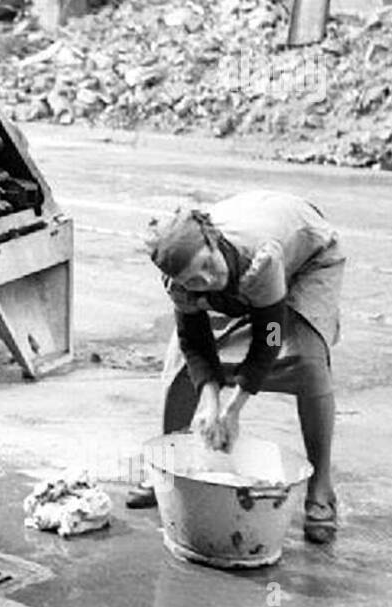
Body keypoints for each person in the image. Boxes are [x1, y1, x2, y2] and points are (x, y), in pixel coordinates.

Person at [132, 190, 346, 544]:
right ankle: (168, 471)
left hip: (309, 255)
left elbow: (270, 338)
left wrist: (233, 411)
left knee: (307, 363)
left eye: (207, 265)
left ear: (214, 242)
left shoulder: (260, 262)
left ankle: (321, 489)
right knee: (180, 365)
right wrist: (211, 403)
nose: (205, 281)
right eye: (192, 280)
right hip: (250, 246)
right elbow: (195, 343)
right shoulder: (181, 281)